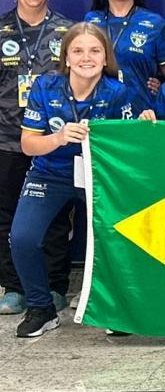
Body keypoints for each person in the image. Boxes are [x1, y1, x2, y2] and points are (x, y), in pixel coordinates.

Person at [11, 23, 133, 337]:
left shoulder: (118, 92)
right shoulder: (45, 86)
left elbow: (129, 145)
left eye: (94, 50)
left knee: (115, 237)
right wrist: (60, 137)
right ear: (65, 57)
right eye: (77, 50)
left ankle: (114, 309)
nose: (86, 57)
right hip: (50, 173)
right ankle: (41, 308)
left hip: (98, 178)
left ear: (106, 57)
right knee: (23, 238)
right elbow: (28, 144)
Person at [0, 0, 74, 316]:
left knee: (57, 217)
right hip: (7, 140)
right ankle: (14, 288)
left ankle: (56, 285)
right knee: (7, 217)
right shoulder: (0, 31)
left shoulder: (68, 32)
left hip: (54, 141)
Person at [84, 0, 165, 110]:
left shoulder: (155, 23)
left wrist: (162, 87)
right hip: (98, 114)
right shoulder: (91, 20)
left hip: (141, 114)